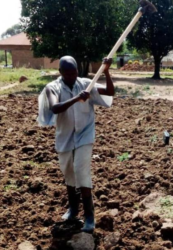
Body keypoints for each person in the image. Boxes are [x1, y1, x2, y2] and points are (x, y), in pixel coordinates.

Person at [37, 56, 115, 233]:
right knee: (68, 172)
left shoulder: (87, 84)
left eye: (74, 73)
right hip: (65, 136)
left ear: (77, 71)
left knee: (81, 171)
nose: (72, 76)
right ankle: (73, 210)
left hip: (85, 135)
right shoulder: (52, 87)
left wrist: (107, 71)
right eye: (68, 73)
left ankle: (89, 216)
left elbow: (110, 91)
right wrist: (77, 99)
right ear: (61, 73)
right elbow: (55, 108)